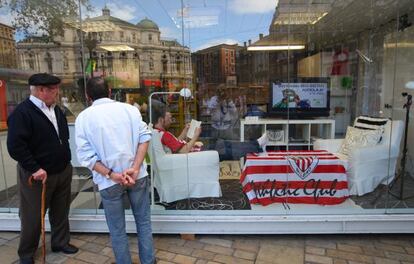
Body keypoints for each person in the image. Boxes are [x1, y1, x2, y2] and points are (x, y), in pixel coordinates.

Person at [75, 77, 155, 264]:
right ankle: (149, 261)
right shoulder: (129, 109)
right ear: (110, 91)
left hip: (108, 181)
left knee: (117, 229)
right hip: (137, 176)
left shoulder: (83, 118)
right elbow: (145, 137)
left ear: (88, 96)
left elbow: (86, 157)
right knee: (143, 222)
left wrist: (112, 175)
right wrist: (134, 168)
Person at [7, 73, 78, 264]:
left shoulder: (56, 110)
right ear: (40, 90)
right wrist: (34, 168)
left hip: (62, 170)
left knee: (60, 210)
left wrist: (67, 160)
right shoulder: (22, 113)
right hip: (38, 175)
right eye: (53, 89)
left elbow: (63, 137)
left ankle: (60, 242)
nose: (57, 92)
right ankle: (27, 254)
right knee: (32, 216)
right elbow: (15, 146)